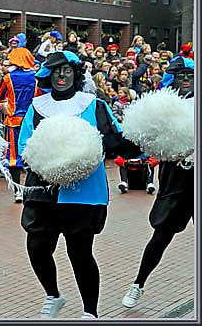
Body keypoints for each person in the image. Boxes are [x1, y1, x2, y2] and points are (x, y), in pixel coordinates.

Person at [18, 51, 142, 319]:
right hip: (44, 191)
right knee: (37, 248)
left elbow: (113, 141)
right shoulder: (37, 107)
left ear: (76, 75)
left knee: (80, 253)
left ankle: (90, 312)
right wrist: (45, 163)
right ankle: (53, 294)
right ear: (48, 76)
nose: (61, 76)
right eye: (56, 71)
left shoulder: (94, 105)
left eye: (67, 71)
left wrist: (143, 142)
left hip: (84, 192)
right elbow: (25, 145)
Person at [121, 56, 194, 308]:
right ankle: (138, 283)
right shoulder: (162, 106)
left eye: (191, 76)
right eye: (181, 76)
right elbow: (148, 141)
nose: (186, 81)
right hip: (176, 176)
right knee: (162, 233)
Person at [0, 47, 38, 202]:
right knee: (32, 154)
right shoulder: (35, 78)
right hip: (31, 121)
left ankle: (17, 192)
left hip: (14, 120)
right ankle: (31, 190)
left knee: (13, 157)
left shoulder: (8, 77)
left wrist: (5, 105)